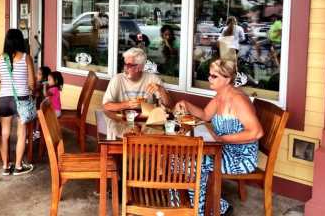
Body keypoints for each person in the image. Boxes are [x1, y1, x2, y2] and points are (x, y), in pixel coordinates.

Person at [175, 59, 264, 216]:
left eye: (214, 76)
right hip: (222, 150)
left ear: (227, 79)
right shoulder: (220, 96)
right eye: (209, 75)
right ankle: (187, 205)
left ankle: (207, 208)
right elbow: (205, 115)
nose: (209, 78)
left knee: (189, 163)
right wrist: (186, 104)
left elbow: (256, 132)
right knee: (177, 158)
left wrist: (221, 139)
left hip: (240, 157)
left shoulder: (237, 99)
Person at [0, 29, 35, 176]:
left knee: (5, 133)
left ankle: (6, 167)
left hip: (4, 99)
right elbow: (32, 83)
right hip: (21, 99)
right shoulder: (27, 58)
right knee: (21, 134)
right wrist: (30, 90)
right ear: (21, 41)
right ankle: (19, 166)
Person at [103, 48, 173, 112]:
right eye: (125, 64)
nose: (125, 68)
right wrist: (127, 104)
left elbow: (169, 105)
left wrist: (161, 90)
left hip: (146, 121)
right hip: (121, 120)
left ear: (140, 67)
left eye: (129, 65)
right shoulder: (117, 79)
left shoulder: (152, 79)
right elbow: (106, 105)